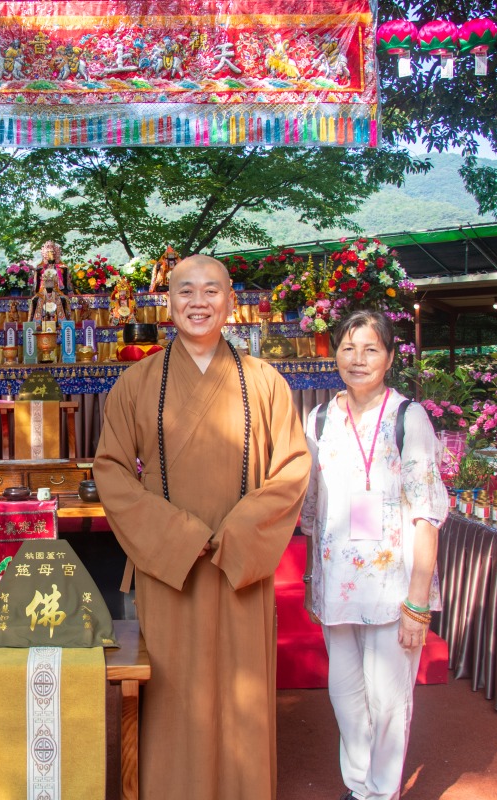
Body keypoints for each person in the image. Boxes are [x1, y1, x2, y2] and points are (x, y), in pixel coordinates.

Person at [93, 254, 311, 799]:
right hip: (172, 567)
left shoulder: (266, 383)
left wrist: (236, 535)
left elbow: (292, 469)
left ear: (230, 301)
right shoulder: (136, 382)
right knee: (173, 692)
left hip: (239, 564)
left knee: (242, 694)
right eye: (185, 291)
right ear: (167, 303)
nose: (198, 302)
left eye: (211, 291)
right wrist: (179, 536)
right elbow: (111, 471)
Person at [300, 310, 449, 800]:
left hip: (393, 588)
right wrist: (310, 579)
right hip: (337, 586)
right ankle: (358, 786)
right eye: (348, 347)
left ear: (389, 356)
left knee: (388, 700)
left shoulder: (409, 418)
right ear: (334, 353)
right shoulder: (319, 419)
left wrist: (418, 602)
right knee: (345, 696)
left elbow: (426, 512)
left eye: (370, 349)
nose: (357, 359)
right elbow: (312, 510)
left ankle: (382, 792)